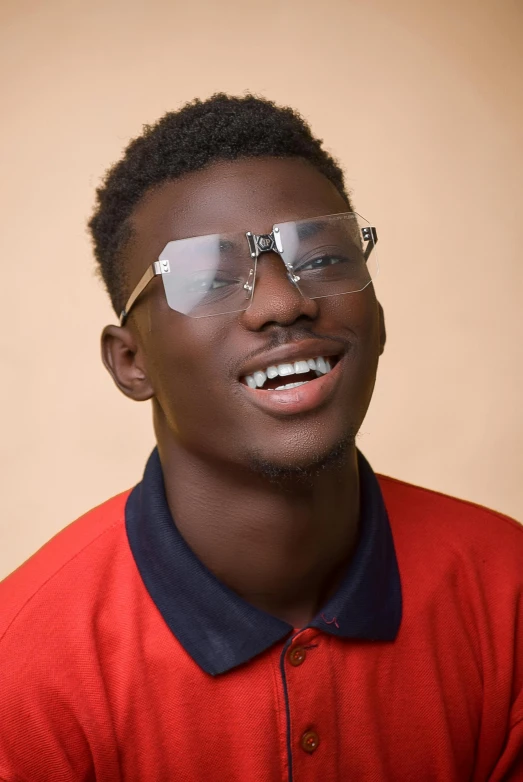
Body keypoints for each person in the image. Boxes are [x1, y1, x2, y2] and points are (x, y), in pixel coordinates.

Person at [0, 94, 521, 782]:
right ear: (133, 363)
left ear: (380, 317)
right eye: (210, 277)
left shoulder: (507, 592)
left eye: (323, 257)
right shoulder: (26, 667)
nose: (283, 303)